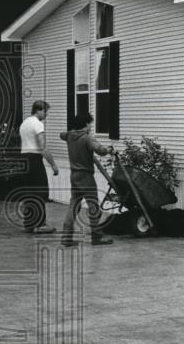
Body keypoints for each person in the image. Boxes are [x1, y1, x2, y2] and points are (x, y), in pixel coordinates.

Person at [59, 112, 115, 246]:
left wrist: (72, 132)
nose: (91, 125)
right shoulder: (87, 138)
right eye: (90, 123)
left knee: (73, 205)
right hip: (85, 176)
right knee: (93, 206)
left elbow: (62, 134)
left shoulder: (70, 136)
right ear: (85, 124)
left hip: (74, 175)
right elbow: (100, 150)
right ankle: (97, 237)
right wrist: (110, 150)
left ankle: (66, 237)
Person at [18, 100, 59, 234]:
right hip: (34, 159)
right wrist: (53, 164)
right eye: (46, 111)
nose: (46, 114)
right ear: (39, 110)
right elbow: (42, 147)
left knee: (28, 192)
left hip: (24, 158)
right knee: (40, 191)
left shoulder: (24, 123)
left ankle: (28, 223)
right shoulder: (38, 124)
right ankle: (40, 224)